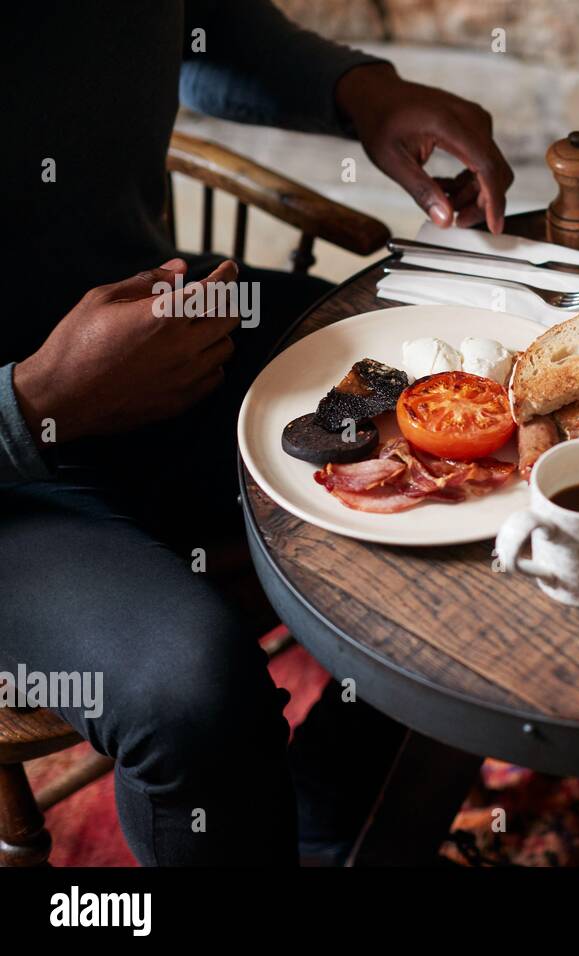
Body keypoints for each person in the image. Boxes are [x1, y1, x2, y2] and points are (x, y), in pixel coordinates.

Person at [0, 2, 512, 866]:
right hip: (14, 478)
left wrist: (360, 91)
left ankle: (323, 820)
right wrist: (36, 401)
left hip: (160, 329)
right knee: (197, 701)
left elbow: (201, 24)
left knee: (477, 456)